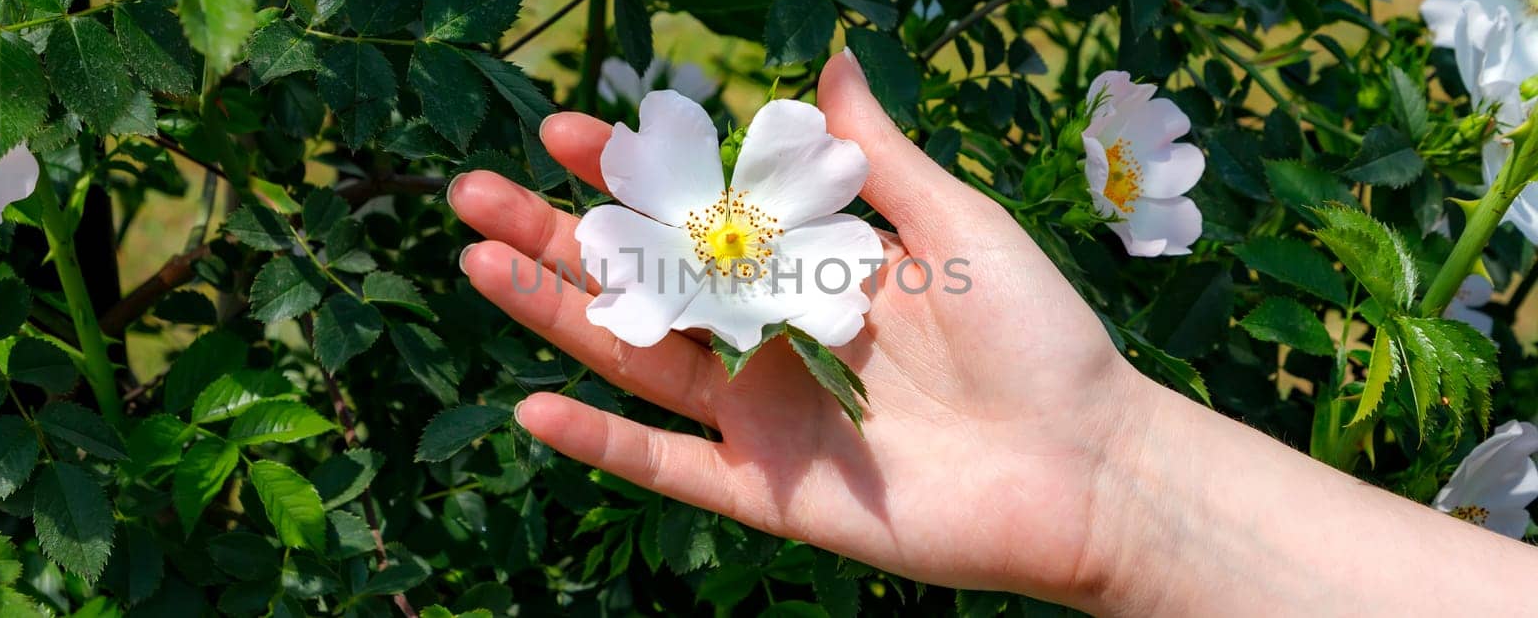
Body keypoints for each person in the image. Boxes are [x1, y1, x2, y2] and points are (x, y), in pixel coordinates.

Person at [447, 51, 1538, 615]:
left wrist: (1117, 482)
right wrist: (1120, 487)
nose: (732, 243)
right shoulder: (693, 229)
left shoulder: (809, 263)